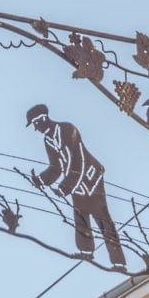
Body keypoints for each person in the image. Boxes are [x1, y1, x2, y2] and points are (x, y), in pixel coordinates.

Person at [26, 103, 126, 270]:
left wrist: (65, 187)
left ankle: (118, 261)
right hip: (75, 183)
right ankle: (86, 251)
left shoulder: (67, 129)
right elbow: (56, 167)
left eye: (36, 124)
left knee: (102, 217)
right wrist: (41, 180)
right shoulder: (48, 140)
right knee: (80, 215)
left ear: (43, 119)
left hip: (90, 176)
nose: (36, 129)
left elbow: (77, 161)